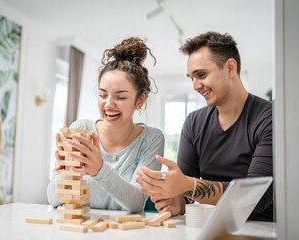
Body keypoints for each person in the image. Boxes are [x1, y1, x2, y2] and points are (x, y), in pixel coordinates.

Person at [136, 31, 273, 221]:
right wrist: (180, 202)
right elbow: (184, 192)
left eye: (201, 75)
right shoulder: (194, 123)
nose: (195, 85)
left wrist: (188, 186)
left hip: (263, 229)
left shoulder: (269, 118)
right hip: (211, 225)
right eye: (191, 78)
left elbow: (256, 198)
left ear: (230, 67)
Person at [47, 37, 164, 213]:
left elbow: (136, 203)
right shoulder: (81, 129)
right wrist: (69, 174)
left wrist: (99, 169)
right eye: (103, 95)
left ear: (139, 101)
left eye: (121, 97)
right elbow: (52, 200)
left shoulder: (151, 139)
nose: (109, 104)